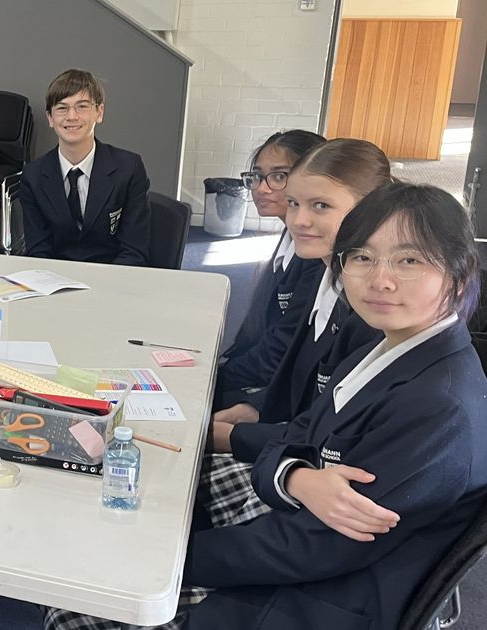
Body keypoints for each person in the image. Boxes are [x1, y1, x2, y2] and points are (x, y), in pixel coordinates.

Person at [47, 182, 487, 630]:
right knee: (154, 491)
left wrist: (168, 561)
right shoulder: (389, 347)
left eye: (409, 261)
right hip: (305, 542)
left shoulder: (439, 409)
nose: (380, 280)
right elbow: (299, 433)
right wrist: (294, 476)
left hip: (323, 598)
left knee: (74, 611)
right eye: (362, 257)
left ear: (458, 271)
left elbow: (314, 548)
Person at [212, 139, 389, 459]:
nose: (298, 220)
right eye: (294, 203)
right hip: (292, 434)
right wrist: (254, 408)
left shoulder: (372, 308)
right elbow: (301, 387)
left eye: (320, 206)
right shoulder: (327, 275)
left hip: (317, 461)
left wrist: (235, 438)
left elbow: (335, 434)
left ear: (369, 209)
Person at [217, 130, 326, 389]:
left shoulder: (316, 259)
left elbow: (278, 353)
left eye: (279, 177)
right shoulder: (290, 237)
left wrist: (216, 381)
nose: (261, 188)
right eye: (257, 176)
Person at [20, 68, 152, 265]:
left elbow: (133, 251)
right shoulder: (33, 176)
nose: (72, 116)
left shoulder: (129, 169)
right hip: (56, 275)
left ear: (99, 112)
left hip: (112, 273)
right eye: (62, 108)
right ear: (50, 118)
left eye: (82, 106)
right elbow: (38, 250)